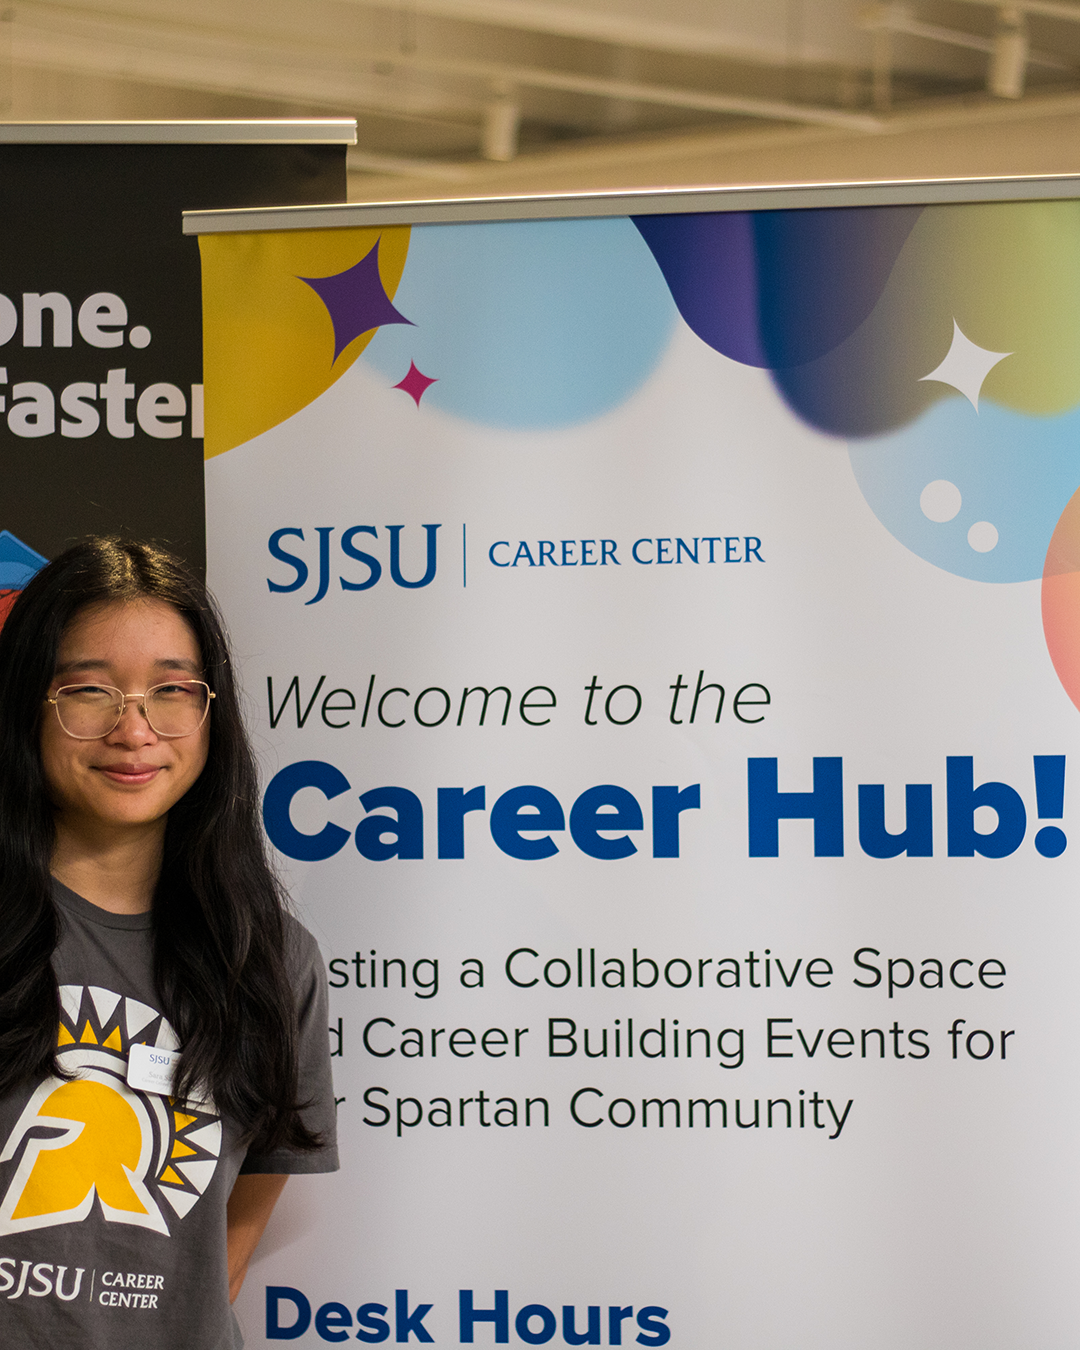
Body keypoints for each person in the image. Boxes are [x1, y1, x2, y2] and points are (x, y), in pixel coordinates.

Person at [0, 537, 338, 1348]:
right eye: (88, 690)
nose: (134, 729)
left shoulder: (268, 959)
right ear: (25, 705)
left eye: (172, 691)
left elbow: (228, 1237)